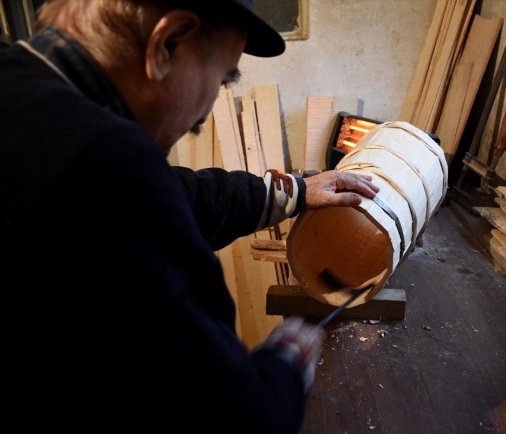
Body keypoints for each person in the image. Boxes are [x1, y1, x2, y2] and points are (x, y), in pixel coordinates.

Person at [0, 0, 379, 431]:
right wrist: (283, 371)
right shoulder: (106, 163)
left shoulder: (27, 100)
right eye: (222, 77)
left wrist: (290, 191)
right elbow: (230, 415)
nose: (204, 113)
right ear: (168, 42)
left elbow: (171, 195)